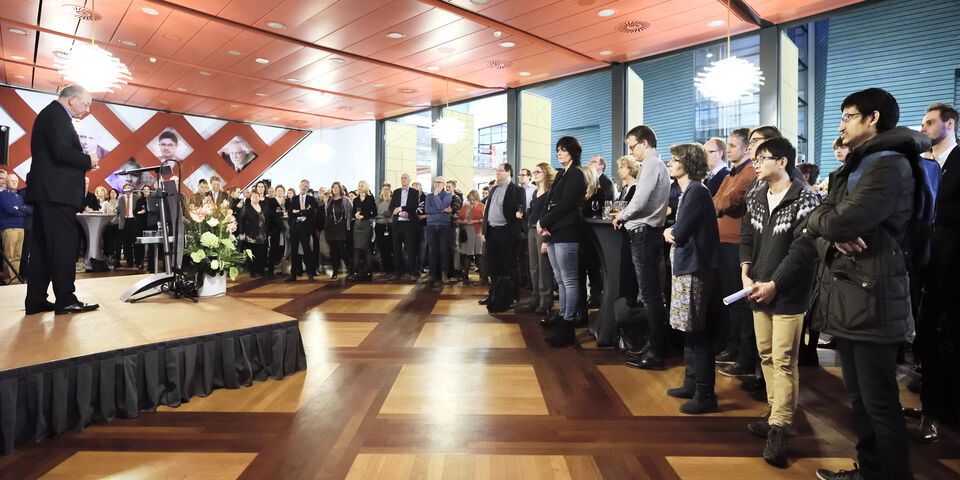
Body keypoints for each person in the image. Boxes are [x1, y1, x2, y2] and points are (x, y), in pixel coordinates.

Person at [808, 88, 925, 480]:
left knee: (879, 402)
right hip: (853, 294)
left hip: (873, 296)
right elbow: (822, 220)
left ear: (872, 118)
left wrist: (827, 221)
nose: (841, 125)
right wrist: (827, 224)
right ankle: (870, 471)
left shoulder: (889, 165)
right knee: (859, 398)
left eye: (847, 116)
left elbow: (836, 219)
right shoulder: (860, 164)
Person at [739, 137, 820, 467]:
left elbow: (803, 250)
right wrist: (746, 274)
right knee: (767, 355)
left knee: (785, 359)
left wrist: (775, 283)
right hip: (757, 286)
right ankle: (776, 412)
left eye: (762, 158)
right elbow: (747, 237)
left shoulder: (805, 197)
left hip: (788, 292)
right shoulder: (756, 195)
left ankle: (781, 428)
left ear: (783, 161)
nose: (756, 164)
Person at [23, 84, 100, 315]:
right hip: (56, 194)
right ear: (71, 100)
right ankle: (66, 299)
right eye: (86, 104)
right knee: (63, 247)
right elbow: (61, 152)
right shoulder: (56, 115)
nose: (87, 109)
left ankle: (36, 300)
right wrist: (88, 160)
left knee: (43, 249)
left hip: (49, 193)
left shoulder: (51, 114)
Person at [663, 143, 720, 415]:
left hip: (694, 268)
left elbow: (680, 231)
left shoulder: (696, 190)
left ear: (688, 163)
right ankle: (691, 383)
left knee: (697, 331)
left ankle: (705, 392)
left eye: (674, 160)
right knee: (689, 329)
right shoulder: (689, 191)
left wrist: (669, 231)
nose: (669, 164)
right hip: (687, 267)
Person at [914, 102, 959, 443]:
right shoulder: (922, 165)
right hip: (922, 261)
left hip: (952, 262)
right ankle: (931, 407)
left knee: (947, 336)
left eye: (930, 122)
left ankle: (944, 410)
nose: (925, 127)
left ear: (950, 123)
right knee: (926, 334)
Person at [613, 125, 671, 369]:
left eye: (633, 145)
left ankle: (656, 352)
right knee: (650, 295)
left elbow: (640, 199)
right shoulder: (657, 166)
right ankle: (653, 347)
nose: (631, 151)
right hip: (648, 233)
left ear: (645, 143)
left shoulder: (651, 165)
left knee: (650, 296)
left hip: (644, 233)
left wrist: (621, 216)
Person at [538, 137, 589, 347]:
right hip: (555, 231)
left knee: (569, 281)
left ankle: (567, 324)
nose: (559, 153)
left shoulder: (577, 173)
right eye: (558, 150)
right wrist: (544, 222)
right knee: (560, 280)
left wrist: (544, 220)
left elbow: (567, 204)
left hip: (567, 231)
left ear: (573, 152)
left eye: (564, 150)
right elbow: (550, 202)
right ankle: (562, 319)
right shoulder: (562, 173)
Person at [713, 128, 757, 367]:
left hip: (736, 243)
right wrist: (720, 204)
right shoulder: (731, 175)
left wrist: (720, 204)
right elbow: (716, 202)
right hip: (723, 242)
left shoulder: (749, 171)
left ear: (746, 148)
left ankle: (741, 353)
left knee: (738, 302)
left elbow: (728, 202)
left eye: (731, 145)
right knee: (728, 300)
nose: (727, 149)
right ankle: (731, 346)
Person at [478, 163, 526, 307]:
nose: (497, 173)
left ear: (509, 173)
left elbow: (520, 211)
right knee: (494, 266)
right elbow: (487, 211)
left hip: (507, 232)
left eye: (500, 171)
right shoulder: (493, 190)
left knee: (510, 266)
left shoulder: (517, 190)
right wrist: (484, 230)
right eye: (496, 171)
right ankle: (494, 294)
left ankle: (513, 297)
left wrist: (514, 231)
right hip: (492, 232)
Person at [525, 162, 556, 316]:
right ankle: (535, 298)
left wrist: (546, 240)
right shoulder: (535, 192)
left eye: (538, 171)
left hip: (542, 232)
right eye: (534, 171)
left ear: (546, 174)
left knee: (544, 268)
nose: (535, 174)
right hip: (531, 230)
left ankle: (546, 302)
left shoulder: (550, 193)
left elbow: (549, 216)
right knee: (533, 267)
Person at [388, 173, 421, 282]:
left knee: (411, 249)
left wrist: (401, 208)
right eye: (401, 178)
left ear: (409, 180)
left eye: (405, 178)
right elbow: (391, 207)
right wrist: (398, 213)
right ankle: (398, 271)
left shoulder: (414, 192)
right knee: (396, 249)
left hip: (409, 224)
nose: (403, 179)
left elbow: (413, 206)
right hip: (398, 223)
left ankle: (413, 272)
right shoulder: (396, 192)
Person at [0, 174, 32, 280]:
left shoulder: (18, 196)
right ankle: (9, 278)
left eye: (16, 181)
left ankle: (16, 278)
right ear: (6, 182)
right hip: (10, 228)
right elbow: (9, 210)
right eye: (12, 181)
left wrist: (18, 208)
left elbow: (29, 210)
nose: (14, 182)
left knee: (18, 256)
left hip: (21, 228)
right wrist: (21, 210)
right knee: (9, 256)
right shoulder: (2, 195)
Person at [285, 179, 318, 281]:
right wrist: (302, 212)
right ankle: (293, 274)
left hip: (306, 228)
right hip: (295, 227)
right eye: (302, 185)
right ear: (299, 186)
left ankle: (310, 274)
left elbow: (311, 212)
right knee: (294, 251)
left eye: (306, 186)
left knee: (306, 250)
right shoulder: (294, 199)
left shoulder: (311, 199)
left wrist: (298, 212)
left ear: (308, 188)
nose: (304, 187)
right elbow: (290, 213)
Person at [423, 176, 453, 285]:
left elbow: (441, 205)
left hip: (443, 225)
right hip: (431, 225)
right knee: (432, 251)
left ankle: (444, 274)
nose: (437, 184)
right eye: (435, 182)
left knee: (444, 250)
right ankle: (431, 274)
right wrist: (441, 210)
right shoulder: (428, 196)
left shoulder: (448, 195)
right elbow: (427, 209)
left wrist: (436, 196)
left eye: (439, 182)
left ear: (444, 184)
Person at [349, 180, 376, 282]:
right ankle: (355, 272)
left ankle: (368, 272)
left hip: (366, 224)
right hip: (357, 225)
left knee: (366, 249)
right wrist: (355, 215)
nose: (359, 187)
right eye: (358, 185)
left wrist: (364, 216)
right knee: (356, 249)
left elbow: (374, 213)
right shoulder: (356, 199)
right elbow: (352, 213)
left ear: (365, 187)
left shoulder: (370, 199)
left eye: (361, 186)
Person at [324, 182, 352, 279]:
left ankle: (350, 268)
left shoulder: (346, 200)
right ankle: (335, 271)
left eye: (336, 187)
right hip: (330, 228)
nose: (335, 189)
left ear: (340, 189)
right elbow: (326, 212)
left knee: (341, 249)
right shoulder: (329, 200)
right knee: (333, 251)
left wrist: (348, 227)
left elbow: (349, 214)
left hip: (341, 227)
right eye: (333, 187)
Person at [458, 190, 485, 285]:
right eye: (470, 200)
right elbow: (459, 219)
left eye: (474, 200)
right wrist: (463, 222)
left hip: (478, 232)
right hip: (467, 232)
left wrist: (475, 221)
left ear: (477, 198)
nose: (472, 202)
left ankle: (483, 277)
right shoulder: (465, 206)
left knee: (479, 254)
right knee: (467, 255)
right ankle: (465, 276)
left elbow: (485, 219)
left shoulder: (482, 206)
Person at [239, 190, 268, 277]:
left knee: (262, 254)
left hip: (262, 235)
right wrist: (241, 233)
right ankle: (253, 271)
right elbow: (241, 220)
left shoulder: (263, 207)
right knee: (252, 254)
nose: (255, 197)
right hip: (250, 235)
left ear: (259, 197)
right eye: (253, 196)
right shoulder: (246, 207)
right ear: (250, 197)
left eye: (257, 196)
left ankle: (261, 270)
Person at [375, 184, 394, 275]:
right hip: (379, 226)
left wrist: (381, 214)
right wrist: (383, 214)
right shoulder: (378, 202)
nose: (385, 191)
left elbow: (390, 214)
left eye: (387, 189)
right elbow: (375, 214)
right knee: (381, 247)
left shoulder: (392, 202)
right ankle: (384, 267)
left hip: (389, 226)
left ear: (390, 191)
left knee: (389, 248)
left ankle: (390, 268)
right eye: (383, 189)